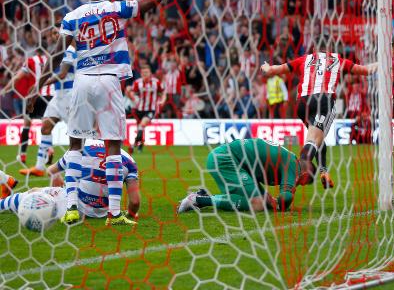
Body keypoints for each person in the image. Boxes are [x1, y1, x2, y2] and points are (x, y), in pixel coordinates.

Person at [30, 0, 162, 226]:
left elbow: (56, 54)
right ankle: (114, 214)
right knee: (113, 146)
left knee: (75, 145)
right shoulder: (117, 8)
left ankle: (71, 208)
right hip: (110, 81)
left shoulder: (72, 16)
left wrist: (36, 86)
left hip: (82, 80)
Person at [261, 51, 376, 189]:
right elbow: (367, 70)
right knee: (314, 140)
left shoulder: (305, 58)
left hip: (303, 104)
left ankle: (323, 171)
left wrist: (266, 67)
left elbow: (274, 70)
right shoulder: (337, 59)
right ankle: (295, 174)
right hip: (323, 100)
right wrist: (385, 62)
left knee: (317, 138)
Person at [0, 141, 140, 222]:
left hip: (72, 206)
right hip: (102, 212)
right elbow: (135, 202)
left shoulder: (81, 148)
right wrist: (130, 215)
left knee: (34, 192)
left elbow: (51, 170)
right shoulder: (129, 160)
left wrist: (56, 177)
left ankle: (2, 204)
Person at [177, 138, 316, 213]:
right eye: (303, 183)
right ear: (304, 176)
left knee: (264, 202)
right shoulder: (293, 166)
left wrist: (269, 198)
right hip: (225, 160)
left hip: (228, 158)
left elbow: (255, 173)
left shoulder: (289, 158)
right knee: (258, 204)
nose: (299, 184)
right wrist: (286, 196)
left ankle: (204, 196)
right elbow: (285, 199)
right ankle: (196, 199)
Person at [19, 32, 77, 177]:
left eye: (57, 33)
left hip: (69, 95)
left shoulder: (69, 50)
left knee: (77, 136)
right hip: (58, 96)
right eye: (52, 34)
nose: (54, 36)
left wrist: (41, 84)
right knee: (45, 127)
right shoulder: (56, 52)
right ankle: (39, 167)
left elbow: (63, 74)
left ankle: (83, 166)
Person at [0, 48, 50, 164]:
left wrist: (5, 90)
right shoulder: (50, 59)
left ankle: (22, 155)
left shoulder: (31, 61)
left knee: (27, 124)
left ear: (36, 51)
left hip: (34, 97)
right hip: (49, 96)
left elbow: (17, 77)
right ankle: (48, 151)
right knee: (47, 126)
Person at [128, 66, 165, 153]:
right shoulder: (137, 83)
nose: (145, 74)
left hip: (151, 110)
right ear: (141, 74)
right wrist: (133, 98)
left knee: (142, 125)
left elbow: (162, 93)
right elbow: (132, 92)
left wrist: (162, 100)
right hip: (139, 109)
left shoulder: (156, 83)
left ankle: (133, 146)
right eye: (143, 73)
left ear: (150, 74)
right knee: (140, 129)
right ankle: (140, 146)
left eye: (146, 72)